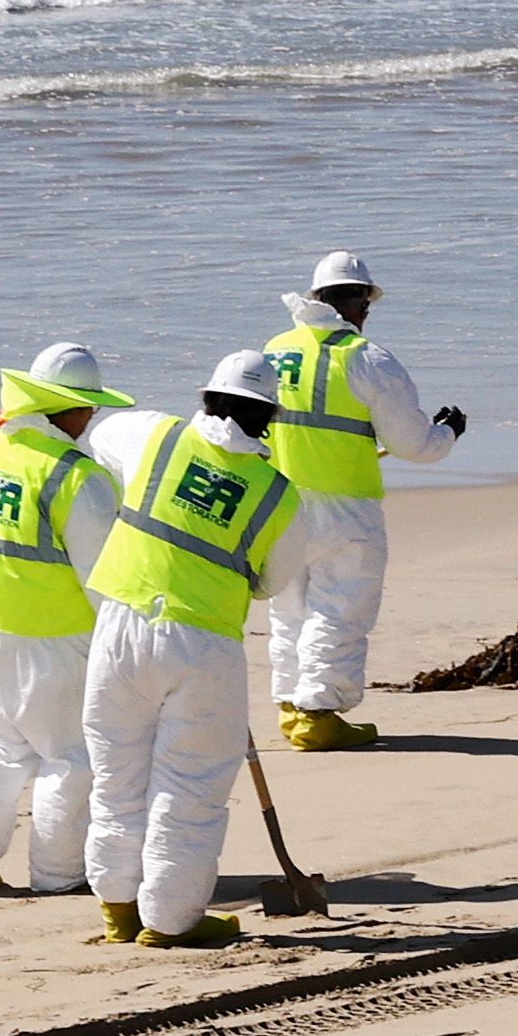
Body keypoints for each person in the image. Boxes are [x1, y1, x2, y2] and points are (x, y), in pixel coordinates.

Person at [75, 350, 312, 950]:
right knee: (193, 786)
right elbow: (273, 581)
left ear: (207, 398)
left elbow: (102, 436)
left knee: (117, 773)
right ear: (269, 418)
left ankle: (118, 911)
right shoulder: (279, 495)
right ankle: (171, 920)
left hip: (122, 623)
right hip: (203, 640)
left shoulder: (153, 435)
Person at [245, 252, 463, 754]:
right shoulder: (366, 357)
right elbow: (414, 445)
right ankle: (319, 714)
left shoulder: (273, 351)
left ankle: (292, 707)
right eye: (364, 301)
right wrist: (448, 431)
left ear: (316, 297)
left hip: (277, 501)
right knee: (339, 610)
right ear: (360, 301)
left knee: (290, 610)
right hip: (344, 507)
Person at [0, 342, 130, 898]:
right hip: (64, 638)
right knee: (72, 755)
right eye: (86, 406)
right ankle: (58, 873)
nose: (91, 416)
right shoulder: (79, 479)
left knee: (3, 737)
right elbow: (102, 576)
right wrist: (119, 645)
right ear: (61, 408)